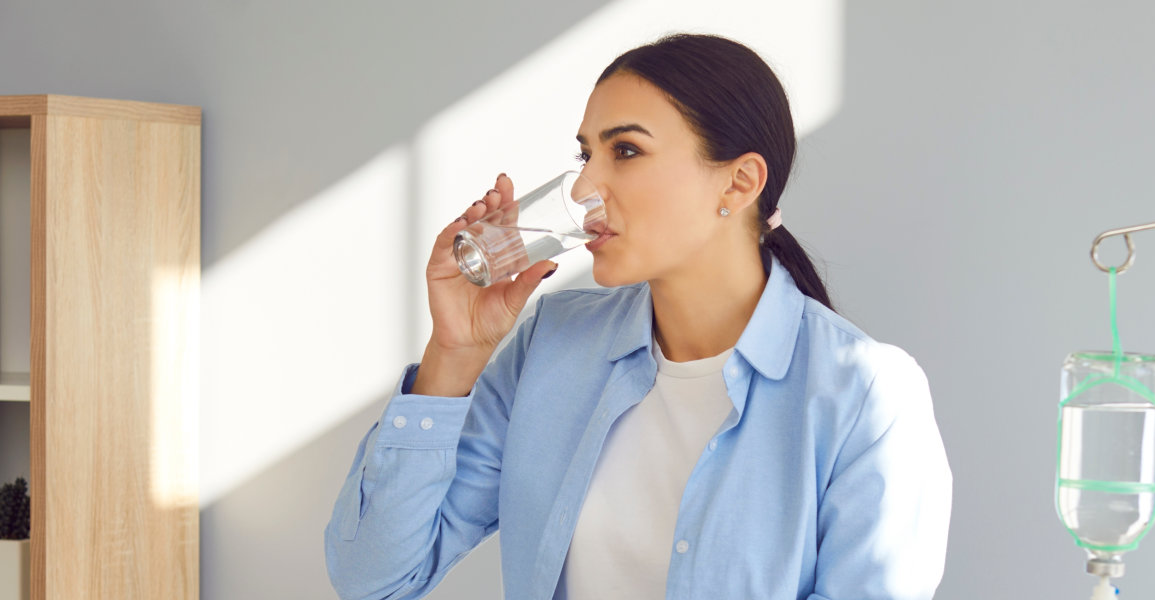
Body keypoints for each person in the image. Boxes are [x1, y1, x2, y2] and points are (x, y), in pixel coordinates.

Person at [325, 33, 951, 600]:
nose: (582, 190)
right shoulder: (551, 344)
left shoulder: (866, 395)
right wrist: (453, 356)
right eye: (585, 154)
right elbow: (373, 578)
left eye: (625, 150)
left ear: (738, 184)